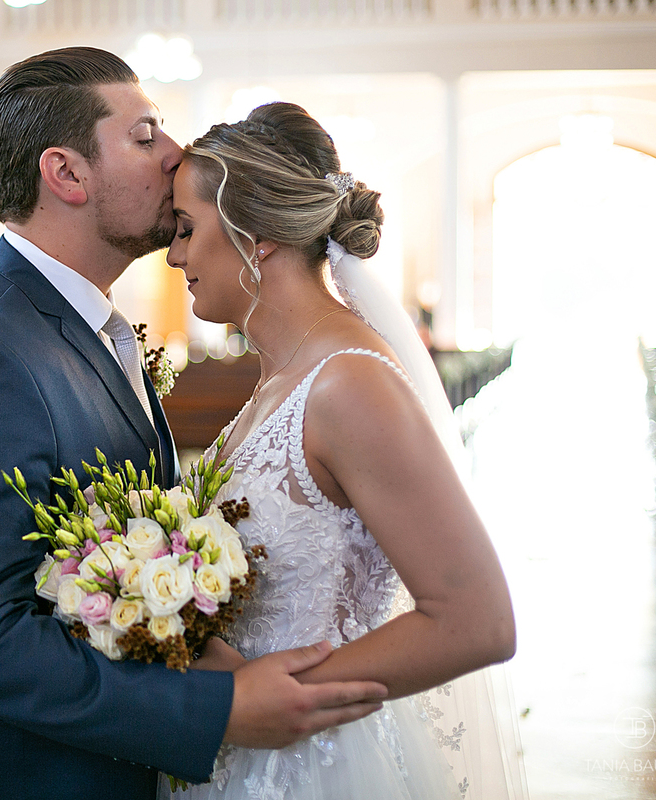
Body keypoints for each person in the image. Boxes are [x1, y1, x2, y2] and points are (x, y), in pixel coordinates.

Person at [0, 48, 391, 800]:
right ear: (67, 174)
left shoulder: (93, 329)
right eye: (145, 135)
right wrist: (215, 711)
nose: (176, 152)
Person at [164, 102, 523, 798]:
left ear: (257, 234)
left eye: (185, 229)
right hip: (241, 749)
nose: (176, 254)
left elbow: (479, 618)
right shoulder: (280, 375)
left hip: (313, 760)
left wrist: (272, 698)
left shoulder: (349, 383)